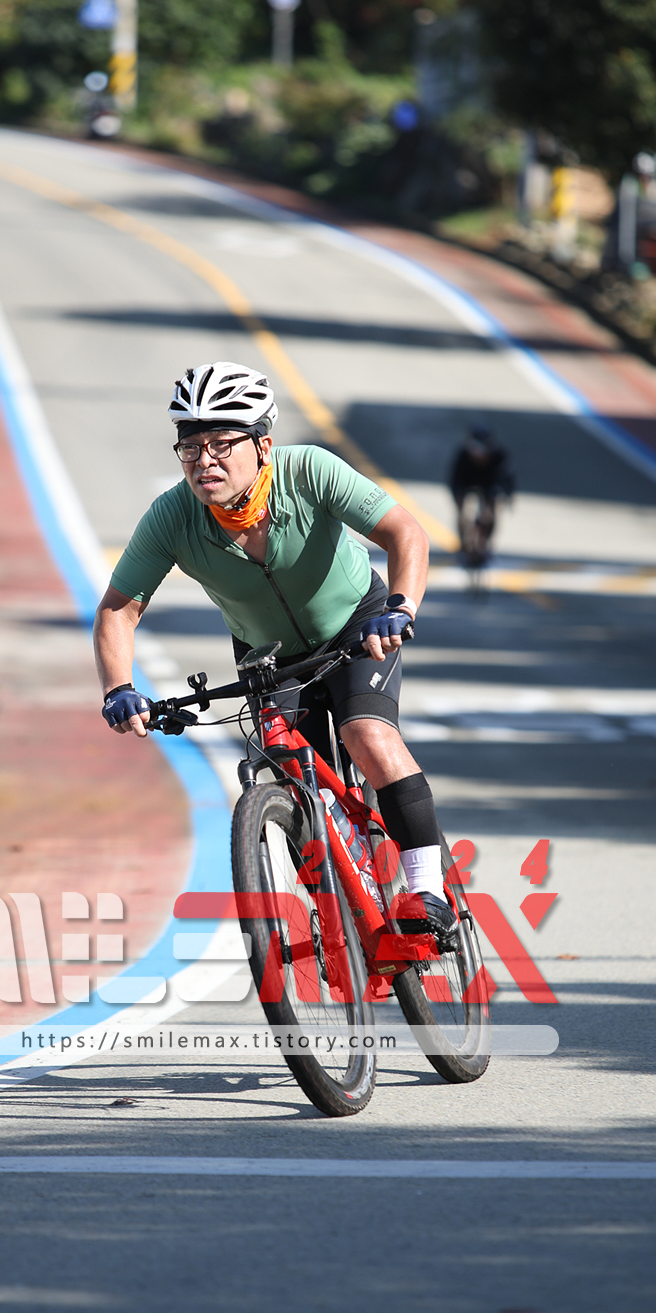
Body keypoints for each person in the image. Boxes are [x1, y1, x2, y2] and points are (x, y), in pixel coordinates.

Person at [92, 360, 457, 941]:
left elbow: (404, 532)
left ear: (263, 446)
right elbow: (118, 609)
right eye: (190, 448)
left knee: (367, 735)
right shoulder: (172, 517)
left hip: (358, 625)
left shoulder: (309, 470)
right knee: (286, 776)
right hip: (267, 655)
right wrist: (119, 687)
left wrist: (401, 607)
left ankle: (428, 893)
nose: (204, 461)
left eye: (221, 444)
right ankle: (342, 913)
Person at [447, 421, 515, 563]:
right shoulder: (462, 456)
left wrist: (504, 499)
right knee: (463, 513)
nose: (479, 455)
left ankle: (485, 544)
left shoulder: (499, 456)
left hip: (489, 484)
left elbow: (506, 481)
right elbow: (454, 481)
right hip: (467, 482)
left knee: (491, 511)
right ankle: (463, 545)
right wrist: (459, 503)